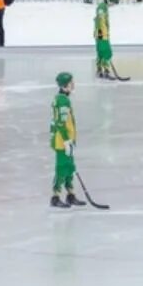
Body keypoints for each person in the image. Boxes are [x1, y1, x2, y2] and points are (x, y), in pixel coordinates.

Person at [50, 72, 80, 209]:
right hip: (61, 142)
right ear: (64, 85)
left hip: (68, 141)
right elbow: (60, 124)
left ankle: (71, 195)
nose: (73, 85)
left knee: (70, 168)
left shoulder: (65, 99)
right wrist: (67, 141)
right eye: (71, 83)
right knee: (61, 169)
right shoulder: (62, 101)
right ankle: (55, 197)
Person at [93, 0, 120, 80]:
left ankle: (99, 71)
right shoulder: (102, 7)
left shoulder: (103, 7)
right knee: (107, 52)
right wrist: (105, 34)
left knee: (101, 52)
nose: (113, 5)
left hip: (100, 32)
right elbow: (100, 21)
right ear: (111, 1)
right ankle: (106, 72)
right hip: (101, 33)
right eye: (114, 3)